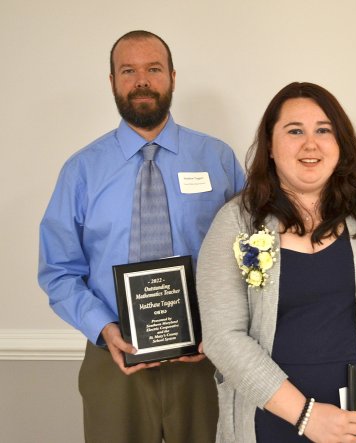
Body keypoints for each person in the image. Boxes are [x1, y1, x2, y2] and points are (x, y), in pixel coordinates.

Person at [197, 82, 356, 443]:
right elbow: (222, 337)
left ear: (340, 143)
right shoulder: (235, 222)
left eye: (323, 130)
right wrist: (307, 417)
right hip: (269, 424)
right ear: (271, 146)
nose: (311, 144)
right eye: (295, 131)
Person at [38, 30, 244, 442]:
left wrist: (225, 325)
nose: (141, 81)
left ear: (171, 76)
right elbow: (58, 271)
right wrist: (104, 328)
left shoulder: (217, 158)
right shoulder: (81, 171)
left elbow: (250, 254)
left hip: (205, 357)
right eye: (128, 70)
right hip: (113, 360)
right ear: (112, 80)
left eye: (153, 69)